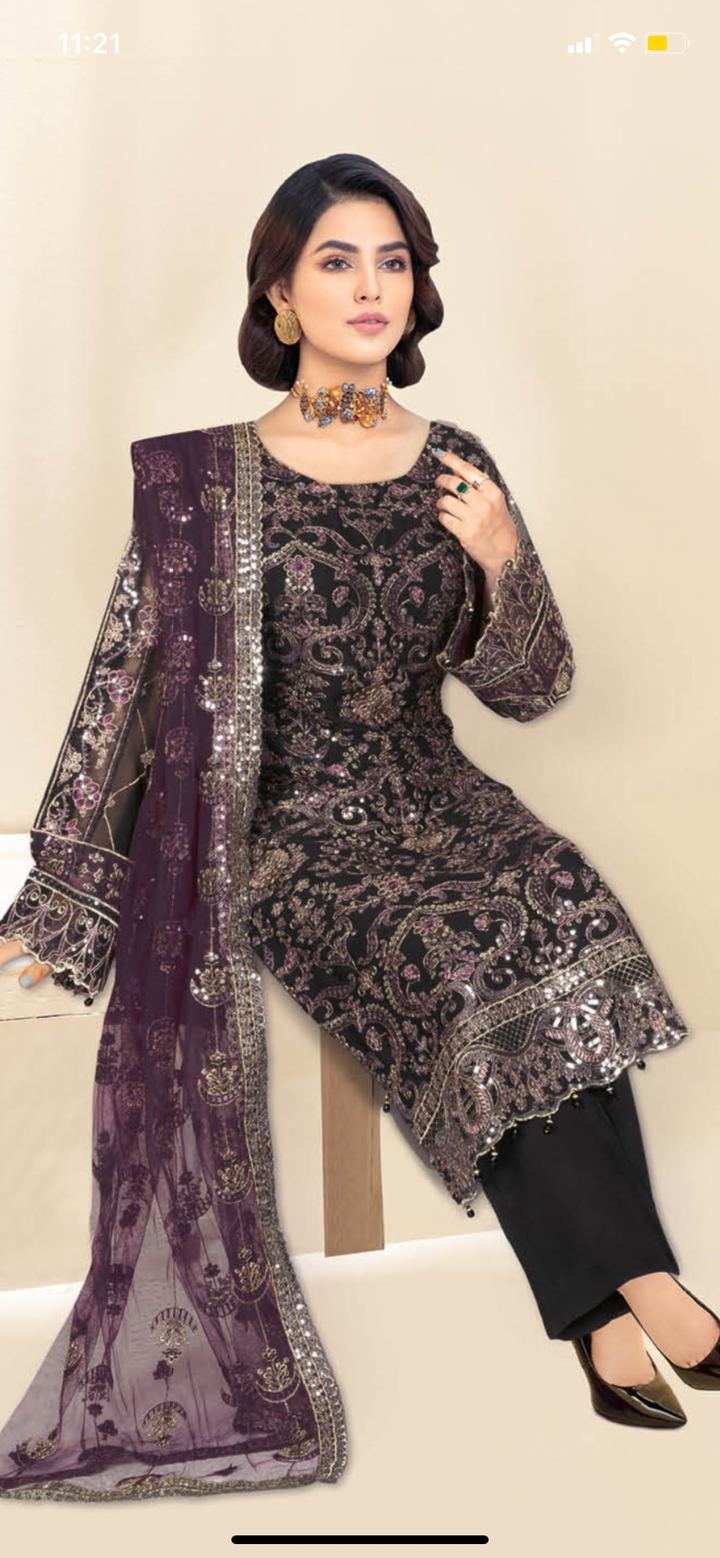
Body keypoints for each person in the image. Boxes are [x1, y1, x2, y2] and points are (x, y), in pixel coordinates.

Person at [0, 155, 717, 1499]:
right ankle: (645, 1293)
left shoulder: (457, 464)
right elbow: (129, 678)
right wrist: (70, 898)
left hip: (432, 786)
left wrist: (503, 558)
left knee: (556, 899)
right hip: (284, 830)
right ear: (281, 294)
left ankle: (609, 1310)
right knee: (455, 952)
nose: (371, 286)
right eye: (337, 260)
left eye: (393, 260)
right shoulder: (207, 481)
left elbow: (531, 685)